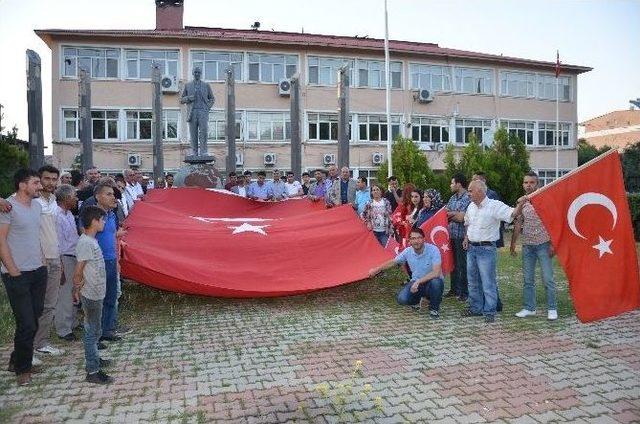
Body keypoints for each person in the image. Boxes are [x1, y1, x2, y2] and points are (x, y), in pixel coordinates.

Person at [0, 169, 47, 386]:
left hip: (38, 270)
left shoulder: (37, 206)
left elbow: (34, 237)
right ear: (22, 185)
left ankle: (15, 360)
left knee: (32, 319)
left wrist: (44, 262)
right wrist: (13, 271)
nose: (40, 186)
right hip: (16, 273)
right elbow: (1, 240)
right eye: (36, 183)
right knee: (27, 322)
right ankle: (23, 369)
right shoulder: (7, 207)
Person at [462, 179, 525, 323]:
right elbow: (467, 223)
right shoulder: (471, 206)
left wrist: (521, 203)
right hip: (471, 248)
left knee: (488, 282)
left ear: (480, 191)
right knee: (472, 281)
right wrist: (466, 237)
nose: (468, 193)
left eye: (471, 191)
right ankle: (475, 308)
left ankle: (490, 311)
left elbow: (513, 213)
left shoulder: (495, 206)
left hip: (486, 249)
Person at [74, 205, 114, 384]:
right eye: (102, 219)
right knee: (91, 331)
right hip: (90, 294)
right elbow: (78, 270)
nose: (104, 222)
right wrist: (77, 289)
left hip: (97, 292)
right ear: (94, 222)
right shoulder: (85, 243)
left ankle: (95, 358)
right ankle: (92, 370)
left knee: (95, 329)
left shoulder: (91, 241)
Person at [511, 172, 558, 321]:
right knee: (528, 279)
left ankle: (552, 308)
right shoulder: (522, 201)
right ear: (523, 184)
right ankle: (529, 308)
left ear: (537, 184)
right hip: (528, 245)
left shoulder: (545, 198)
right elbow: (517, 220)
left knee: (548, 279)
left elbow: (554, 222)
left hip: (544, 244)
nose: (528, 185)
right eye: (526, 182)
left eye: (532, 182)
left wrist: (553, 244)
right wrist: (513, 244)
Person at [369, 228, 445, 319]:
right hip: (416, 284)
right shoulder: (407, 251)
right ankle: (419, 300)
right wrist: (376, 269)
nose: (416, 241)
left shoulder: (433, 249)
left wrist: (418, 282)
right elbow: (393, 262)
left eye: (419, 238)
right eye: (413, 238)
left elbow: (436, 272)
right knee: (402, 299)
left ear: (424, 239)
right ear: (409, 241)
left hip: (430, 282)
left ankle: (434, 308)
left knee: (437, 282)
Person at [33, 165, 65, 357]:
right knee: (35, 305)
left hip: (55, 257)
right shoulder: (32, 201)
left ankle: (42, 342)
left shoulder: (53, 200)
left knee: (50, 304)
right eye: (47, 179)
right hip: (38, 260)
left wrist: (59, 260)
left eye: (54, 179)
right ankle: (29, 347)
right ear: (39, 179)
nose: (51, 183)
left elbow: (54, 233)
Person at [92, 182, 121, 343]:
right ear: (98, 196)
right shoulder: (91, 215)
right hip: (97, 262)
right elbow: (86, 237)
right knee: (97, 300)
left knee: (111, 297)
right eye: (108, 194)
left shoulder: (112, 215)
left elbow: (114, 237)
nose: (113, 197)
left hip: (111, 261)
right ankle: (95, 335)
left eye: (113, 194)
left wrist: (117, 260)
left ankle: (107, 330)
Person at [54, 184, 80, 342]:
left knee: (75, 291)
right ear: (66, 198)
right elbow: (56, 242)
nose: (77, 199)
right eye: (74, 196)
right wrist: (61, 266)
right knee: (65, 293)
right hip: (65, 257)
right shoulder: (56, 216)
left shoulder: (68, 213)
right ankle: (63, 329)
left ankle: (73, 322)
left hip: (74, 255)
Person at [446, 173, 471, 301]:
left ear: (458, 184)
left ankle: (464, 292)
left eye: (452, 183)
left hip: (463, 236)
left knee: (462, 265)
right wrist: (454, 214)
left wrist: (453, 215)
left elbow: (463, 217)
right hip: (452, 235)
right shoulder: (452, 198)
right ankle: (454, 289)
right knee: (453, 264)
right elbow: (446, 214)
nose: (450, 185)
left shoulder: (468, 197)